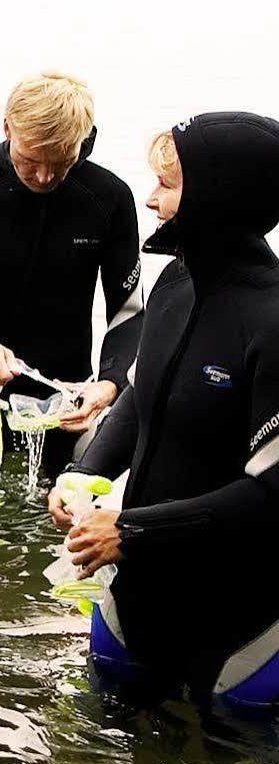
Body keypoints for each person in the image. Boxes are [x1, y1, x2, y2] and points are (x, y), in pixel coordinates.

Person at [51, 114, 279, 709]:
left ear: (220, 195)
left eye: (168, 185)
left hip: (240, 620)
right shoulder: (175, 282)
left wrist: (131, 528)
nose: (150, 200)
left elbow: (272, 494)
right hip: (139, 595)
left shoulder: (273, 322)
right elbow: (138, 397)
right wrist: (85, 472)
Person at [0, 72, 143, 478]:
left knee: (63, 534)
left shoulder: (109, 198)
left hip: (69, 409)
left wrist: (109, 384)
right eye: (31, 160)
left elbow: (129, 314)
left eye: (62, 162)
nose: (43, 177)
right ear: (7, 128)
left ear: (84, 141)